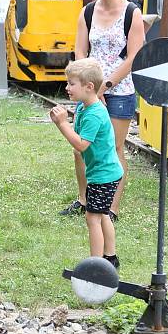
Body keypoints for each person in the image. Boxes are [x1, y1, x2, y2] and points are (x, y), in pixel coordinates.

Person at [60, 0, 146, 222]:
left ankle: (111, 208)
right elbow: (81, 51)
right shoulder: (87, 12)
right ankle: (84, 200)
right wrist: (87, 87)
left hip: (119, 90)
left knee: (114, 149)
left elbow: (134, 56)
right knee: (81, 148)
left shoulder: (132, 13)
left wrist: (105, 86)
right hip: (89, 89)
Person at [50, 58, 123, 269]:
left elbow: (81, 145)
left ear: (89, 87)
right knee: (103, 215)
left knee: (93, 218)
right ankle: (110, 257)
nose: (67, 87)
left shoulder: (94, 114)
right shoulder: (84, 107)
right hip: (103, 172)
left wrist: (62, 124)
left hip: (104, 174)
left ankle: (96, 265)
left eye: (71, 83)